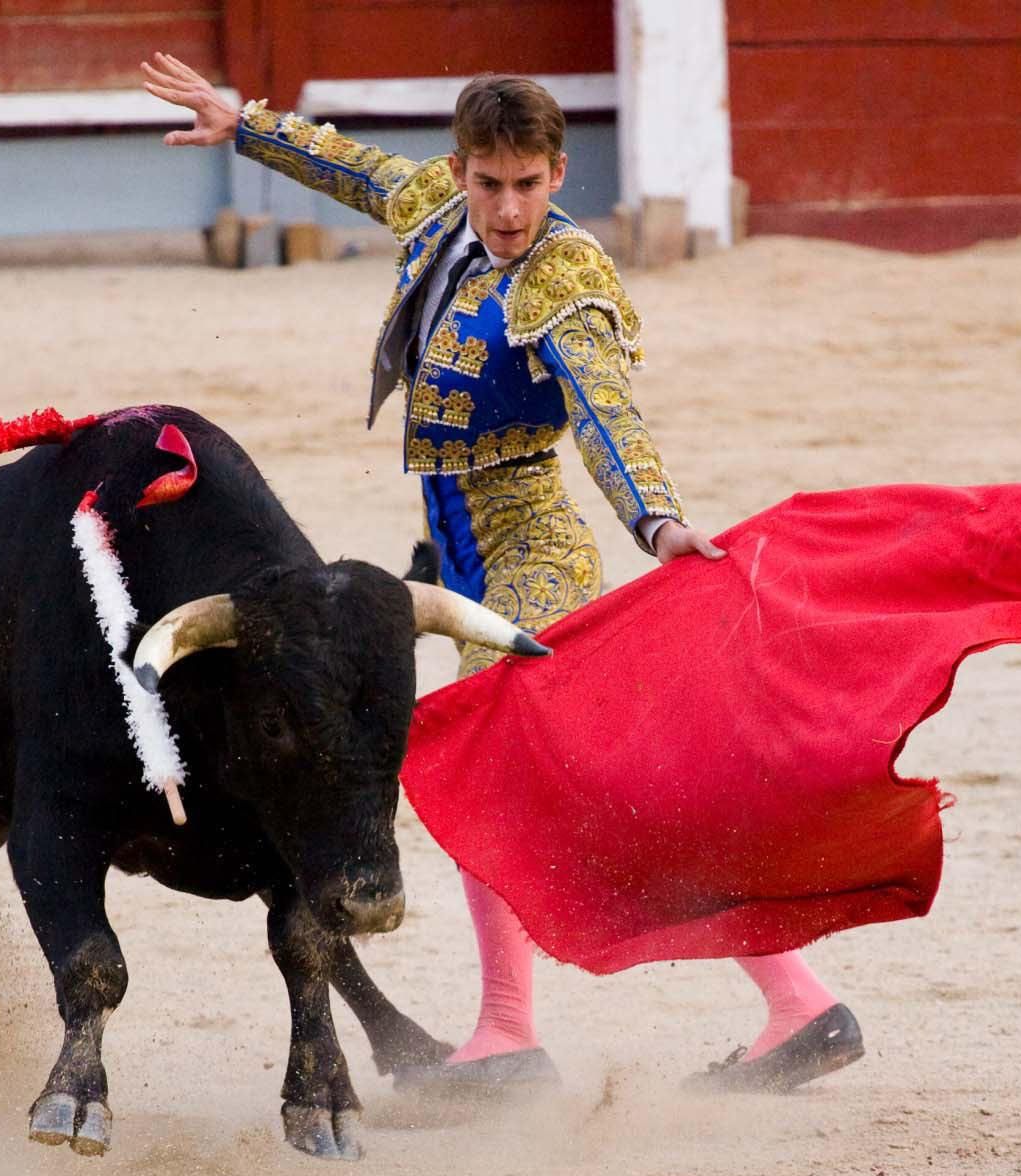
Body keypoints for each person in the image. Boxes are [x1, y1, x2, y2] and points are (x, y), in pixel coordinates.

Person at [142, 52, 863, 1097]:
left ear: (558, 174)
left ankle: (512, 1034)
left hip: (533, 551)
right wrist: (241, 124)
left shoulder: (566, 277)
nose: (510, 208)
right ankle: (797, 1005)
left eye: (529, 184)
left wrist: (656, 519)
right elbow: (356, 170)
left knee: (493, 767)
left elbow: (607, 410)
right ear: (463, 171)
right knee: (620, 791)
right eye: (490, 183)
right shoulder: (442, 215)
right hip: (462, 554)